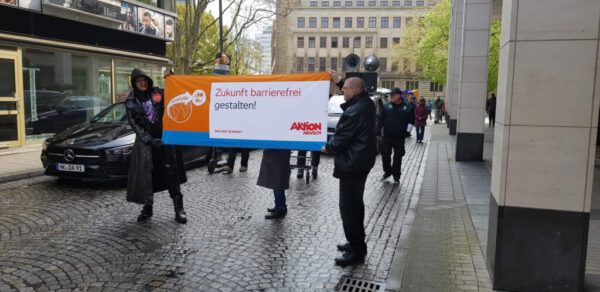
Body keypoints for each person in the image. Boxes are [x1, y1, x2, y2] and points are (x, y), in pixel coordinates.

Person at [323, 77, 377, 266]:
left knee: (349, 208)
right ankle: (356, 243)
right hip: (359, 162)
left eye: (344, 89)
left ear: (353, 91)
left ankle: (357, 251)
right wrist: (339, 81)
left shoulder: (355, 110)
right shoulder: (366, 103)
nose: (342, 92)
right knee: (355, 206)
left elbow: (340, 140)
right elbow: (354, 86)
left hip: (352, 165)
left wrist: (328, 147)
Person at [125, 68, 188, 223]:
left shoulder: (157, 92)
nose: (142, 83)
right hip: (146, 147)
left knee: (171, 174)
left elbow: (175, 95)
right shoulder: (131, 102)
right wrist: (149, 140)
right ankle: (148, 209)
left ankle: (179, 208)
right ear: (135, 83)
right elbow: (135, 126)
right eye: (139, 81)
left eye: (144, 80)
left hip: (165, 142)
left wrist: (172, 79)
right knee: (148, 178)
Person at [376, 87, 411, 184]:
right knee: (385, 155)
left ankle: (396, 176)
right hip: (387, 136)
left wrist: (407, 132)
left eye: (393, 95)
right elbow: (380, 119)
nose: (390, 97)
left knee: (398, 157)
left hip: (399, 137)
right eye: (390, 95)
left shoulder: (407, 107)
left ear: (399, 96)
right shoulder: (386, 106)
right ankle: (387, 172)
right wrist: (378, 131)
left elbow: (411, 121)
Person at [257, 149, 292, 219]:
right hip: (276, 151)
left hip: (278, 151)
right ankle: (280, 205)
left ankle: (280, 208)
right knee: (276, 180)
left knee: (277, 180)